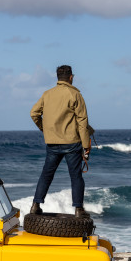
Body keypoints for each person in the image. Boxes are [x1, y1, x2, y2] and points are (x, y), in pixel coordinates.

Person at [30, 65, 93, 218]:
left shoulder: (47, 94)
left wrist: (44, 129)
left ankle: (35, 205)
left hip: (52, 143)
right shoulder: (75, 94)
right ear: (71, 77)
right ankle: (78, 209)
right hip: (72, 142)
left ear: (57, 78)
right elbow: (82, 122)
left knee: (46, 175)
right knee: (76, 176)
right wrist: (86, 146)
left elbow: (34, 113)